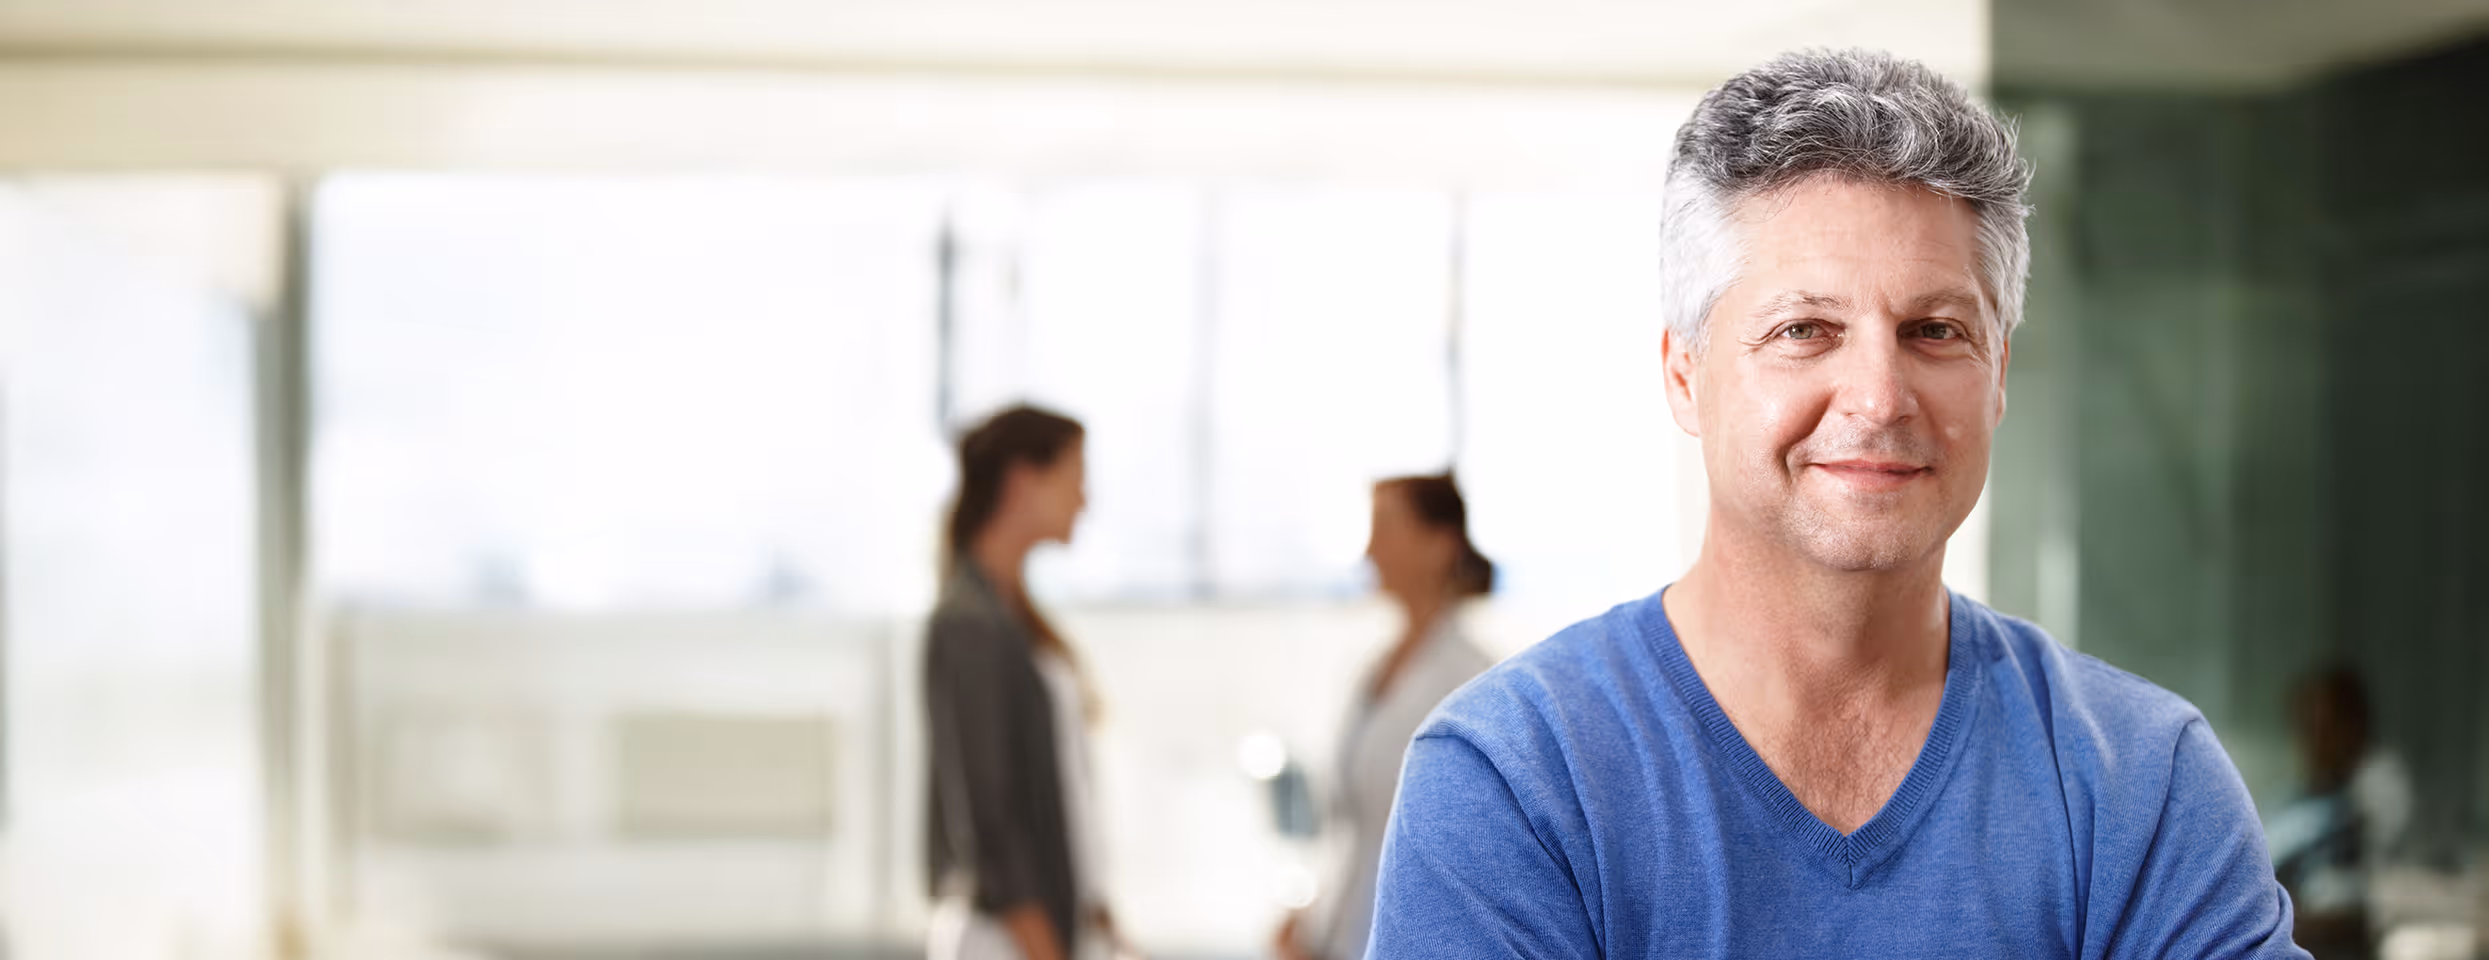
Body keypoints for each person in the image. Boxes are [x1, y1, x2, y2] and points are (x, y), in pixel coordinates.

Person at [1368, 49, 2306, 958]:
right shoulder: (1514, 780)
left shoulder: (2140, 781)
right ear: (1684, 376)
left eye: (1934, 331)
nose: (1877, 396)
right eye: (1803, 330)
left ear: (1998, 379)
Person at [924, 405, 1130, 960]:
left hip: (1046, 930)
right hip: (1009, 938)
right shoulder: (968, 622)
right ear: (1022, 479)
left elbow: (1061, 799)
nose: (1084, 500)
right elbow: (988, 818)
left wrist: (1101, 922)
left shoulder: (1014, 618)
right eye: (1074, 476)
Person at [1274, 473, 1496, 960]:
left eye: (1386, 528)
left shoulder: (1469, 680)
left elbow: (1469, 857)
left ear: (1440, 545)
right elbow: (1356, 830)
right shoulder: (1374, 670)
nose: (1370, 550)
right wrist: (1311, 919)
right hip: (1344, 934)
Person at [2268, 665, 2413, 958]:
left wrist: (2292, 919)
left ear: (2354, 724)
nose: (2313, 743)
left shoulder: (2380, 789)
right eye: (2305, 729)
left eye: (2323, 727)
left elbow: (2374, 900)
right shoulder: (2312, 793)